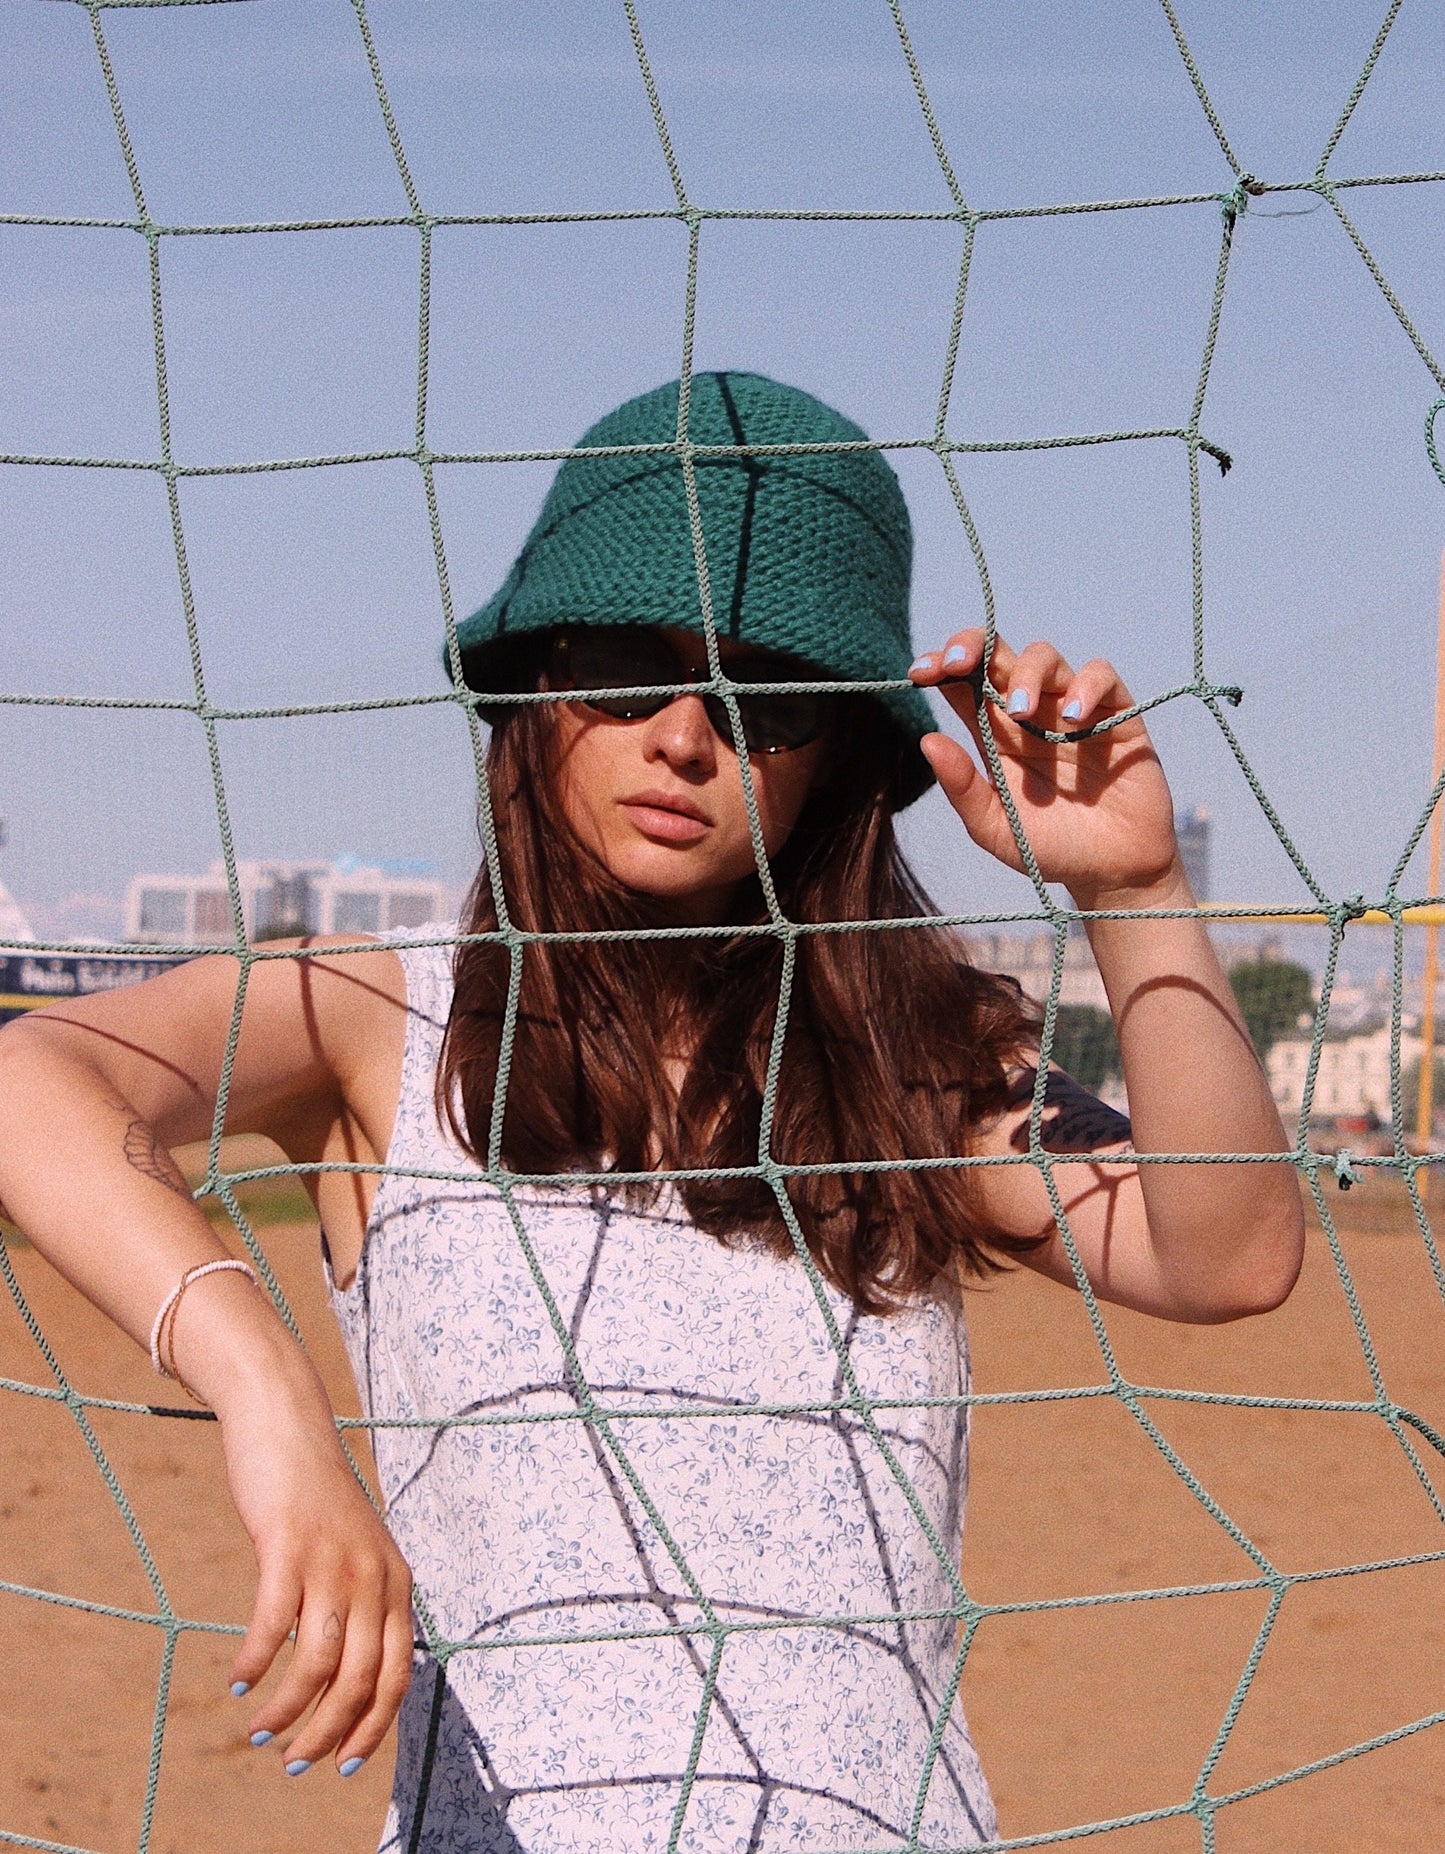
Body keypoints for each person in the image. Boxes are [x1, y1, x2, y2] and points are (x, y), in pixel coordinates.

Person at [0, 372, 1303, 1852]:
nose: (685, 730)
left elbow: (1225, 1251)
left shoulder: (916, 1069)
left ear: (849, 758)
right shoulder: (385, 1017)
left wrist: (1130, 892)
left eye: (769, 692)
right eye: (627, 662)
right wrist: (272, 1400)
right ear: (536, 684)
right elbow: (30, 1074)